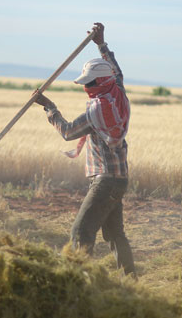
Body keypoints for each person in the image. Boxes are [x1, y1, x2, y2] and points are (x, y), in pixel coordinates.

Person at [34, 22, 135, 277]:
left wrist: (49, 107)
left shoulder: (97, 111)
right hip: (119, 179)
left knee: (81, 232)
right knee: (114, 234)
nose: (86, 88)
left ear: (100, 82)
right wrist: (101, 43)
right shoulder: (118, 92)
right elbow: (116, 70)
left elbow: (67, 132)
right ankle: (130, 280)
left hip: (104, 181)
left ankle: (81, 282)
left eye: (89, 84)